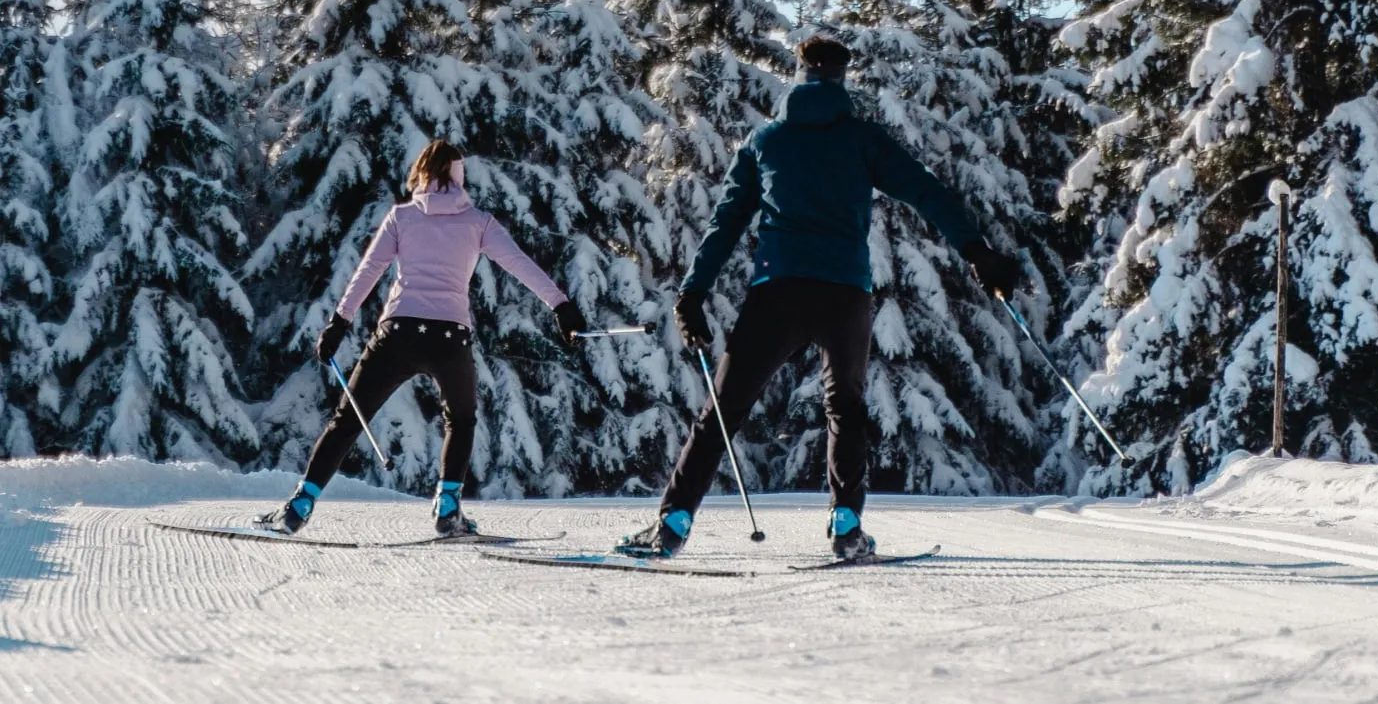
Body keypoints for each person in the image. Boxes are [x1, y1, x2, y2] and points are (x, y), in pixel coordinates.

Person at [617, 36, 1021, 560]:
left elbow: (727, 222)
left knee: (724, 408)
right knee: (846, 409)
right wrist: (976, 251)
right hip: (844, 294)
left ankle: (672, 523)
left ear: (800, 72)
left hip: (777, 292)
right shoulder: (862, 139)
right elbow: (926, 190)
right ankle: (846, 527)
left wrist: (693, 292)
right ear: (841, 77)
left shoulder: (767, 141)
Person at [260, 140, 588, 537]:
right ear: (458, 175)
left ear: (421, 173)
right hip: (450, 337)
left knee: (347, 421)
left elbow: (368, 271)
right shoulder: (478, 222)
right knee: (461, 420)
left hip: (396, 333)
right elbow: (520, 264)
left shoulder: (402, 217)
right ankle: (447, 506)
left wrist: (339, 323)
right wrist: (561, 306)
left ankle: (299, 506)